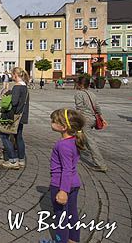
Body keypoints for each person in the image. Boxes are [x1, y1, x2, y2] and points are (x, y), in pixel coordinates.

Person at [49, 108, 86, 243]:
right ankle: (73, 239)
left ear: (63, 127)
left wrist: (63, 191)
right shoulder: (74, 140)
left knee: (61, 217)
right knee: (72, 214)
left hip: (61, 184)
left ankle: (60, 241)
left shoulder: (63, 145)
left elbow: (66, 169)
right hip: (74, 183)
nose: (51, 122)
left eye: (53, 121)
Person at [74, 75, 108, 172]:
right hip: (92, 119)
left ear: (79, 84)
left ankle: (101, 164)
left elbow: (79, 108)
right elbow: (97, 107)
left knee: (90, 141)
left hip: (85, 119)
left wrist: (76, 120)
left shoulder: (79, 93)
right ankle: (75, 154)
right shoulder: (92, 94)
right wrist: (102, 118)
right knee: (79, 137)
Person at [0, 67, 30, 169]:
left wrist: (7, 95)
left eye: (12, 75)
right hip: (22, 116)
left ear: (15, 75)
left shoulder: (17, 87)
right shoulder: (25, 86)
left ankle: (12, 160)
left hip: (14, 116)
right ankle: (21, 160)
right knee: (19, 137)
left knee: (4, 135)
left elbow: (14, 102)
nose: (11, 77)